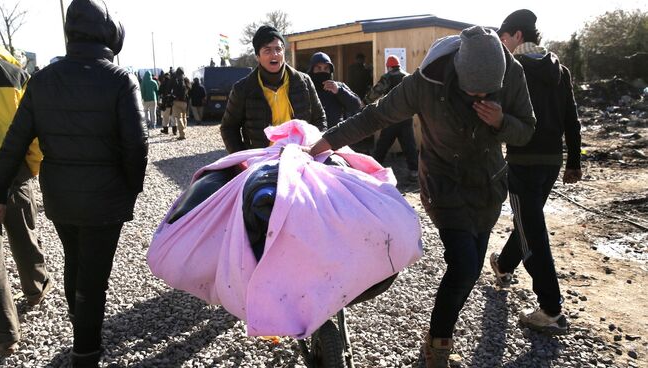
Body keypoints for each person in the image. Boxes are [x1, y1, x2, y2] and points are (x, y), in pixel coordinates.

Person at [306, 26, 535, 367]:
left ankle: (434, 336)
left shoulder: (512, 74)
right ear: (457, 70)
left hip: (487, 186)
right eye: (473, 89)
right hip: (443, 183)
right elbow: (375, 115)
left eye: (487, 91)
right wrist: (319, 147)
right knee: (463, 265)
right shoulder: (426, 82)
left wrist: (502, 120)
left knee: (471, 272)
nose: (479, 96)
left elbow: (527, 129)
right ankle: (438, 346)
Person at [0, 1, 148, 366]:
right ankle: (86, 349)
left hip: (61, 197)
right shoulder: (119, 78)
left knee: (74, 262)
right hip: (106, 199)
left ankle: (80, 327)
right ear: (108, 32)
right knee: (94, 275)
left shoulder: (43, 79)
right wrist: (131, 188)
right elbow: (137, 144)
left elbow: (15, 143)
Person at [489, 9, 582, 335]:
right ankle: (503, 265)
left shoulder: (513, 69)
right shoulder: (561, 70)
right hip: (551, 162)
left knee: (532, 233)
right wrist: (574, 162)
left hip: (524, 161)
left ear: (517, 35)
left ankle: (550, 309)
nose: (503, 45)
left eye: (504, 38)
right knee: (529, 221)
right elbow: (572, 118)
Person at [0, 46, 53, 358]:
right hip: (11, 167)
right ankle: (35, 288)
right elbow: (26, 128)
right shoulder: (10, 69)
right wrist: (33, 166)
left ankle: (4, 333)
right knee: (23, 233)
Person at [220, 25, 326, 153]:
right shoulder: (242, 89)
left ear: (283, 52)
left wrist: (314, 149)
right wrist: (242, 158)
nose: (274, 55)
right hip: (262, 160)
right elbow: (229, 128)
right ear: (257, 56)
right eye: (267, 50)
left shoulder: (304, 82)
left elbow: (320, 119)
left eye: (278, 49)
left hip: (301, 155)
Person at [365, 55, 419, 181]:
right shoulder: (407, 76)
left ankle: (373, 169)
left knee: (383, 144)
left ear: (388, 66)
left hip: (390, 116)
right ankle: (414, 172)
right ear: (398, 65)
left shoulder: (387, 77)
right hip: (406, 117)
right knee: (409, 145)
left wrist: (364, 102)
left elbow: (376, 92)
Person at [307, 52, 361, 128]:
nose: (322, 71)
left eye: (326, 68)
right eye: (318, 68)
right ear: (312, 70)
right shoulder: (306, 88)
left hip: (336, 134)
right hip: (313, 134)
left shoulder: (339, 86)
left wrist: (339, 91)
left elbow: (356, 105)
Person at [168, 68, 190, 140]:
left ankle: (182, 135)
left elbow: (169, 89)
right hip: (185, 101)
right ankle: (184, 130)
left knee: (179, 118)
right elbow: (190, 88)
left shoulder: (174, 79)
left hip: (176, 101)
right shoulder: (186, 79)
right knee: (184, 117)